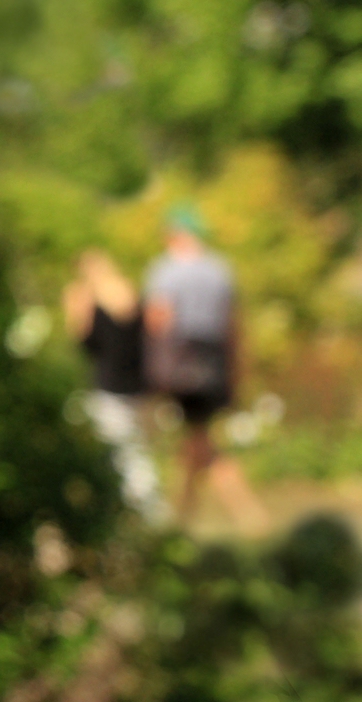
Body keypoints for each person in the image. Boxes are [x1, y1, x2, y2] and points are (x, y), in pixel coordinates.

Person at [143, 205, 268, 533]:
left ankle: (250, 518)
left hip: (182, 363)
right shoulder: (221, 270)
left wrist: (151, 369)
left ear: (175, 235)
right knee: (195, 441)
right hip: (216, 364)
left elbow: (159, 318)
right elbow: (233, 327)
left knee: (201, 443)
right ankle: (179, 522)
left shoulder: (166, 270)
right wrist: (237, 372)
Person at [63, 249, 166, 523]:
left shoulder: (88, 302)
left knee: (124, 456)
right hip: (140, 386)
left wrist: (76, 308)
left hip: (109, 388)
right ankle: (145, 514)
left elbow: (83, 343)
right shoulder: (133, 294)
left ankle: (150, 517)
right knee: (136, 451)